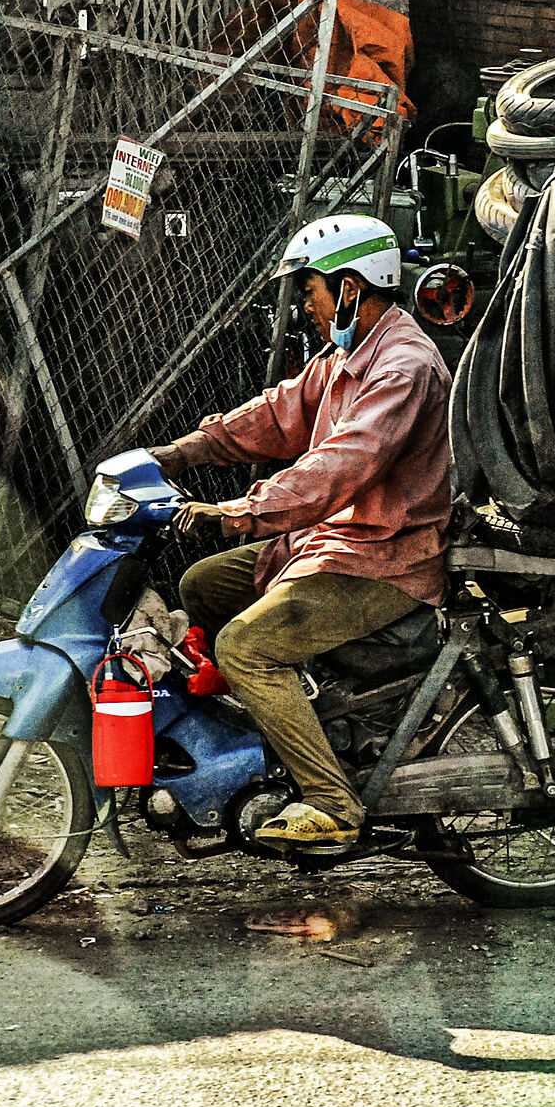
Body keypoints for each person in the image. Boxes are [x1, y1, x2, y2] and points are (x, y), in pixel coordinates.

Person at [149, 214, 452, 848]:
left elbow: (341, 463)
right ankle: (277, 736)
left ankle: (331, 802)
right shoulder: (347, 356)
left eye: (311, 290)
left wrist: (242, 511)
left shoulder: (402, 367)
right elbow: (278, 413)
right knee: (202, 586)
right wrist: (185, 452)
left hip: (383, 560)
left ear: (349, 287)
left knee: (244, 647)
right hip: (331, 545)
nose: (307, 306)